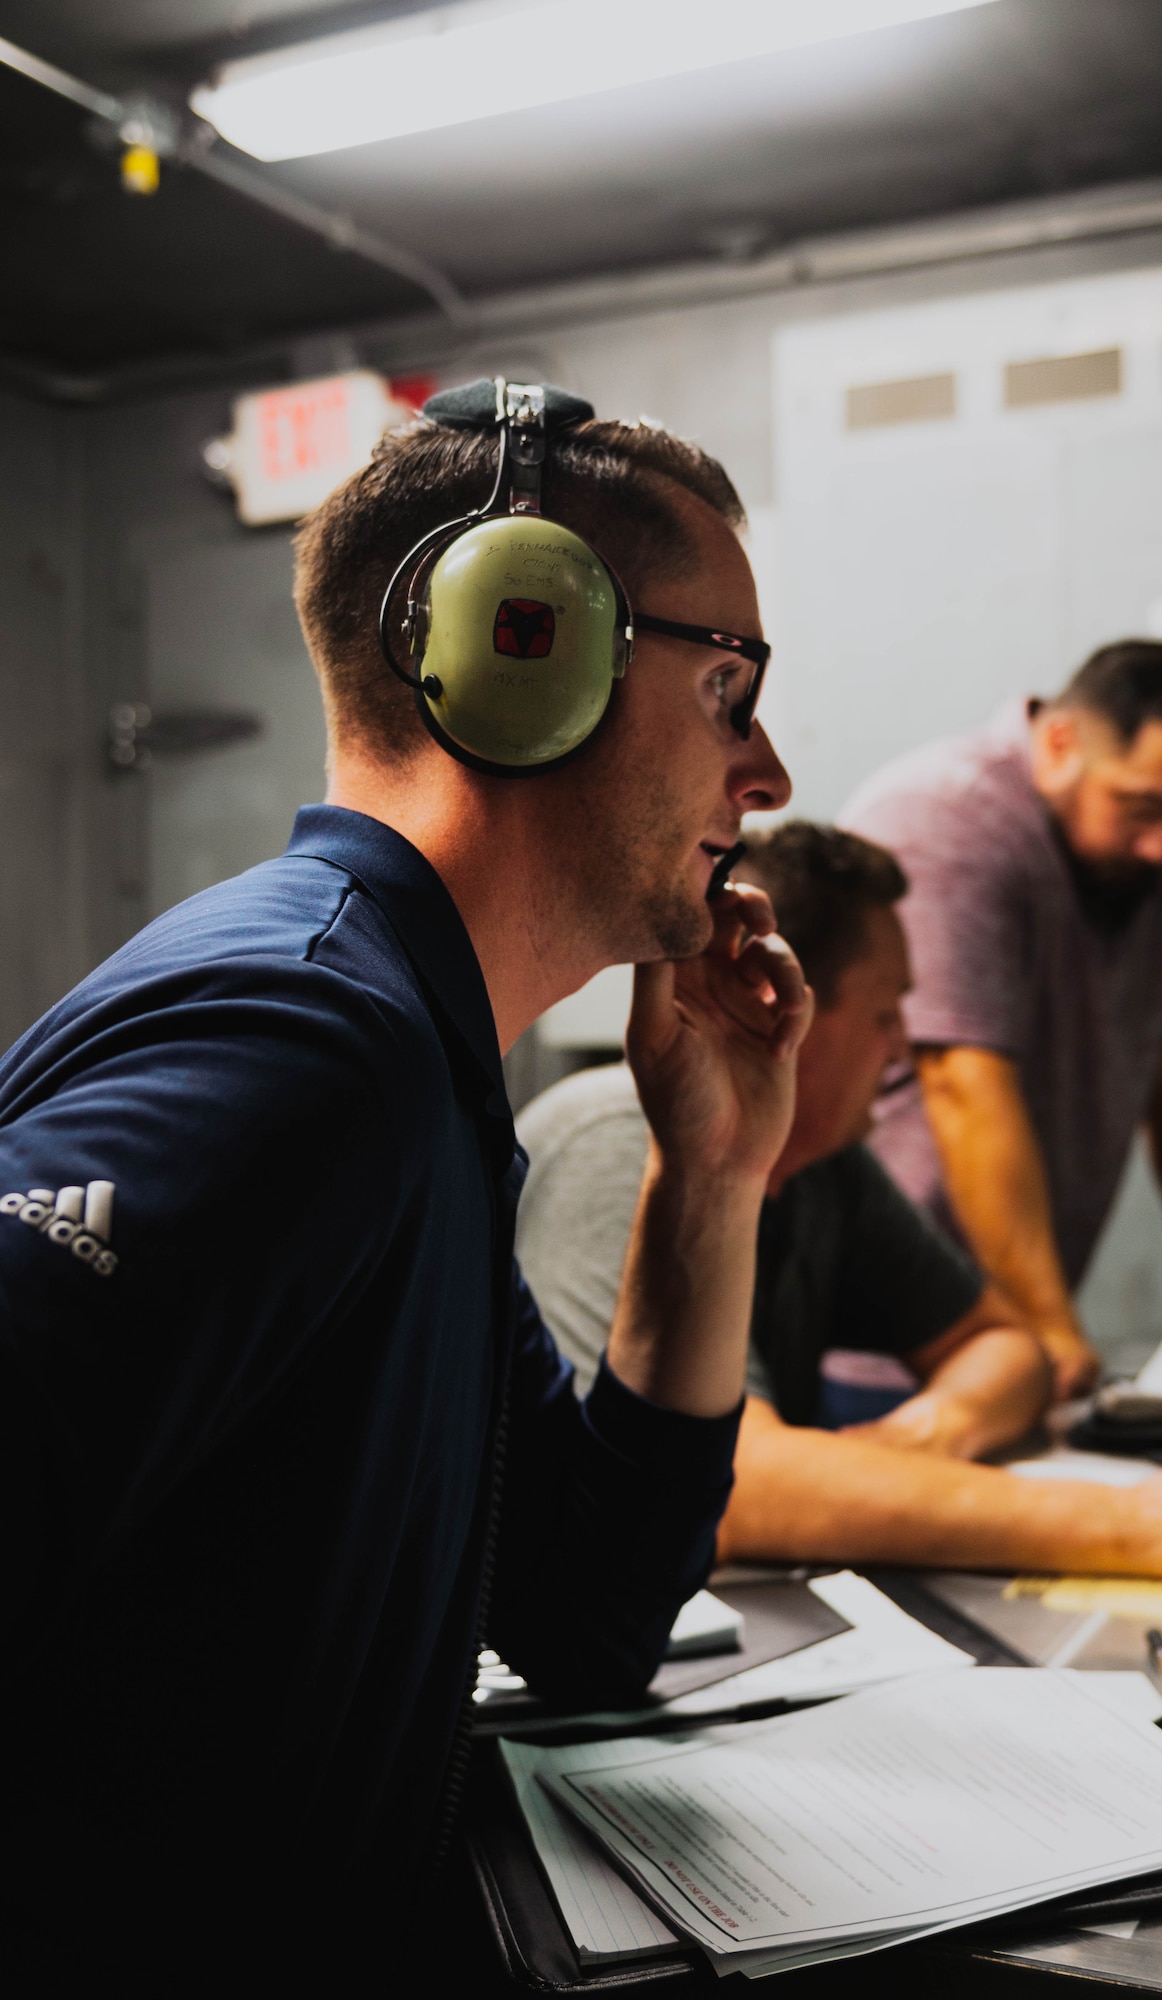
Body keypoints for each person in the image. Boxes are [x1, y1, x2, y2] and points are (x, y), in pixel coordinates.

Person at [0, 385, 810, 1975]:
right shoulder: (300, 1052)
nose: (765, 768)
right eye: (726, 685)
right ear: (528, 653)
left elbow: (587, 1614)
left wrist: (710, 1174)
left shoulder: (414, 1071)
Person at [517, 821, 1162, 1582]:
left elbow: (1007, 1350)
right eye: (884, 1012)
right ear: (778, 999)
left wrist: (921, 1433)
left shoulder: (825, 1170)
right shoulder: (616, 1141)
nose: (903, 1045)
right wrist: (1137, 1525)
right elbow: (730, 1483)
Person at [841, 641, 1162, 1401]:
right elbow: (961, 1082)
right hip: (888, 1346)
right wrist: (1052, 1330)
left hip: (1010, 1339)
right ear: (1060, 745)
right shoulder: (948, 821)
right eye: (1143, 807)